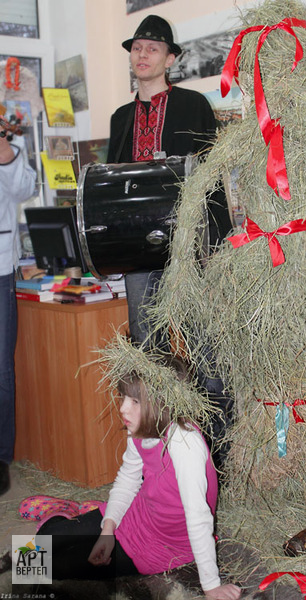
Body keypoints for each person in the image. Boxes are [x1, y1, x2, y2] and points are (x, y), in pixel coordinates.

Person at [106, 14, 234, 471]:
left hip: (189, 249)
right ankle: (162, 455)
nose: (142, 55)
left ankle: (218, 453)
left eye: (152, 48)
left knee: (205, 347)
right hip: (141, 255)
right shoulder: (121, 119)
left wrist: (214, 245)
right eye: (136, 48)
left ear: (170, 58)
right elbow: (112, 193)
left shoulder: (192, 105)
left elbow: (212, 179)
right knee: (149, 351)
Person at [37, 356, 241, 600]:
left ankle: (73, 523)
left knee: (53, 567)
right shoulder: (142, 426)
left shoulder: (185, 443)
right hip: (137, 514)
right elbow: (127, 479)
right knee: (45, 539)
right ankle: (68, 515)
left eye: (135, 401)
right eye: (123, 397)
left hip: (161, 544)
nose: (123, 408)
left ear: (162, 403)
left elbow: (199, 519)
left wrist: (211, 586)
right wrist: (108, 529)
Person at [0, 128, 36, 495]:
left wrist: (5, 152)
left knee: (0, 370)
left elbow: (25, 189)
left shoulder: (10, 145)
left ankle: (1, 458)